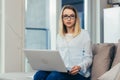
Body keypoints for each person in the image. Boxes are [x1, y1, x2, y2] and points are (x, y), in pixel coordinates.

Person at [34, 5, 93, 80]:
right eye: (65, 16)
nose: (69, 19)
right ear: (62, 19)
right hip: (63, 70)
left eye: (72, 16)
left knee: (53, 77)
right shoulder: (59, 36)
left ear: (75, 19)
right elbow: (59, 56)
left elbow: (88, 58)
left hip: (78, 73)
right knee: (39, 75)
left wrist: (79, 67)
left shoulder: (84, 34)